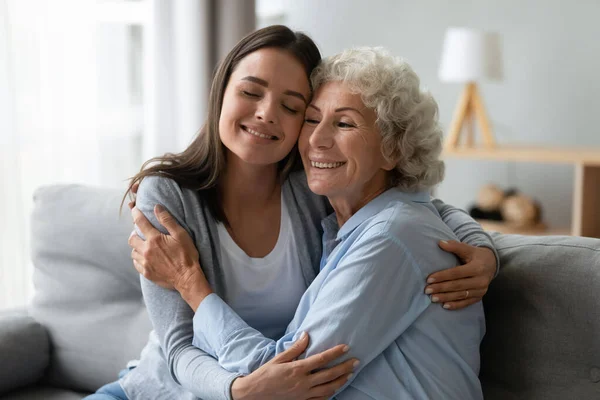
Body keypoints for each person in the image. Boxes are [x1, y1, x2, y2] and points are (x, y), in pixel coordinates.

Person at [92, 26, 497, 400]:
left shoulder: (314, 185)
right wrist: (236, 391)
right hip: (169, 388)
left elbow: (418, 202)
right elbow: (178, 346)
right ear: (221, 93)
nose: (267, 113)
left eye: (292, 107)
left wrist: (484, 250)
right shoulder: (167, 196)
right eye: (251, 92)